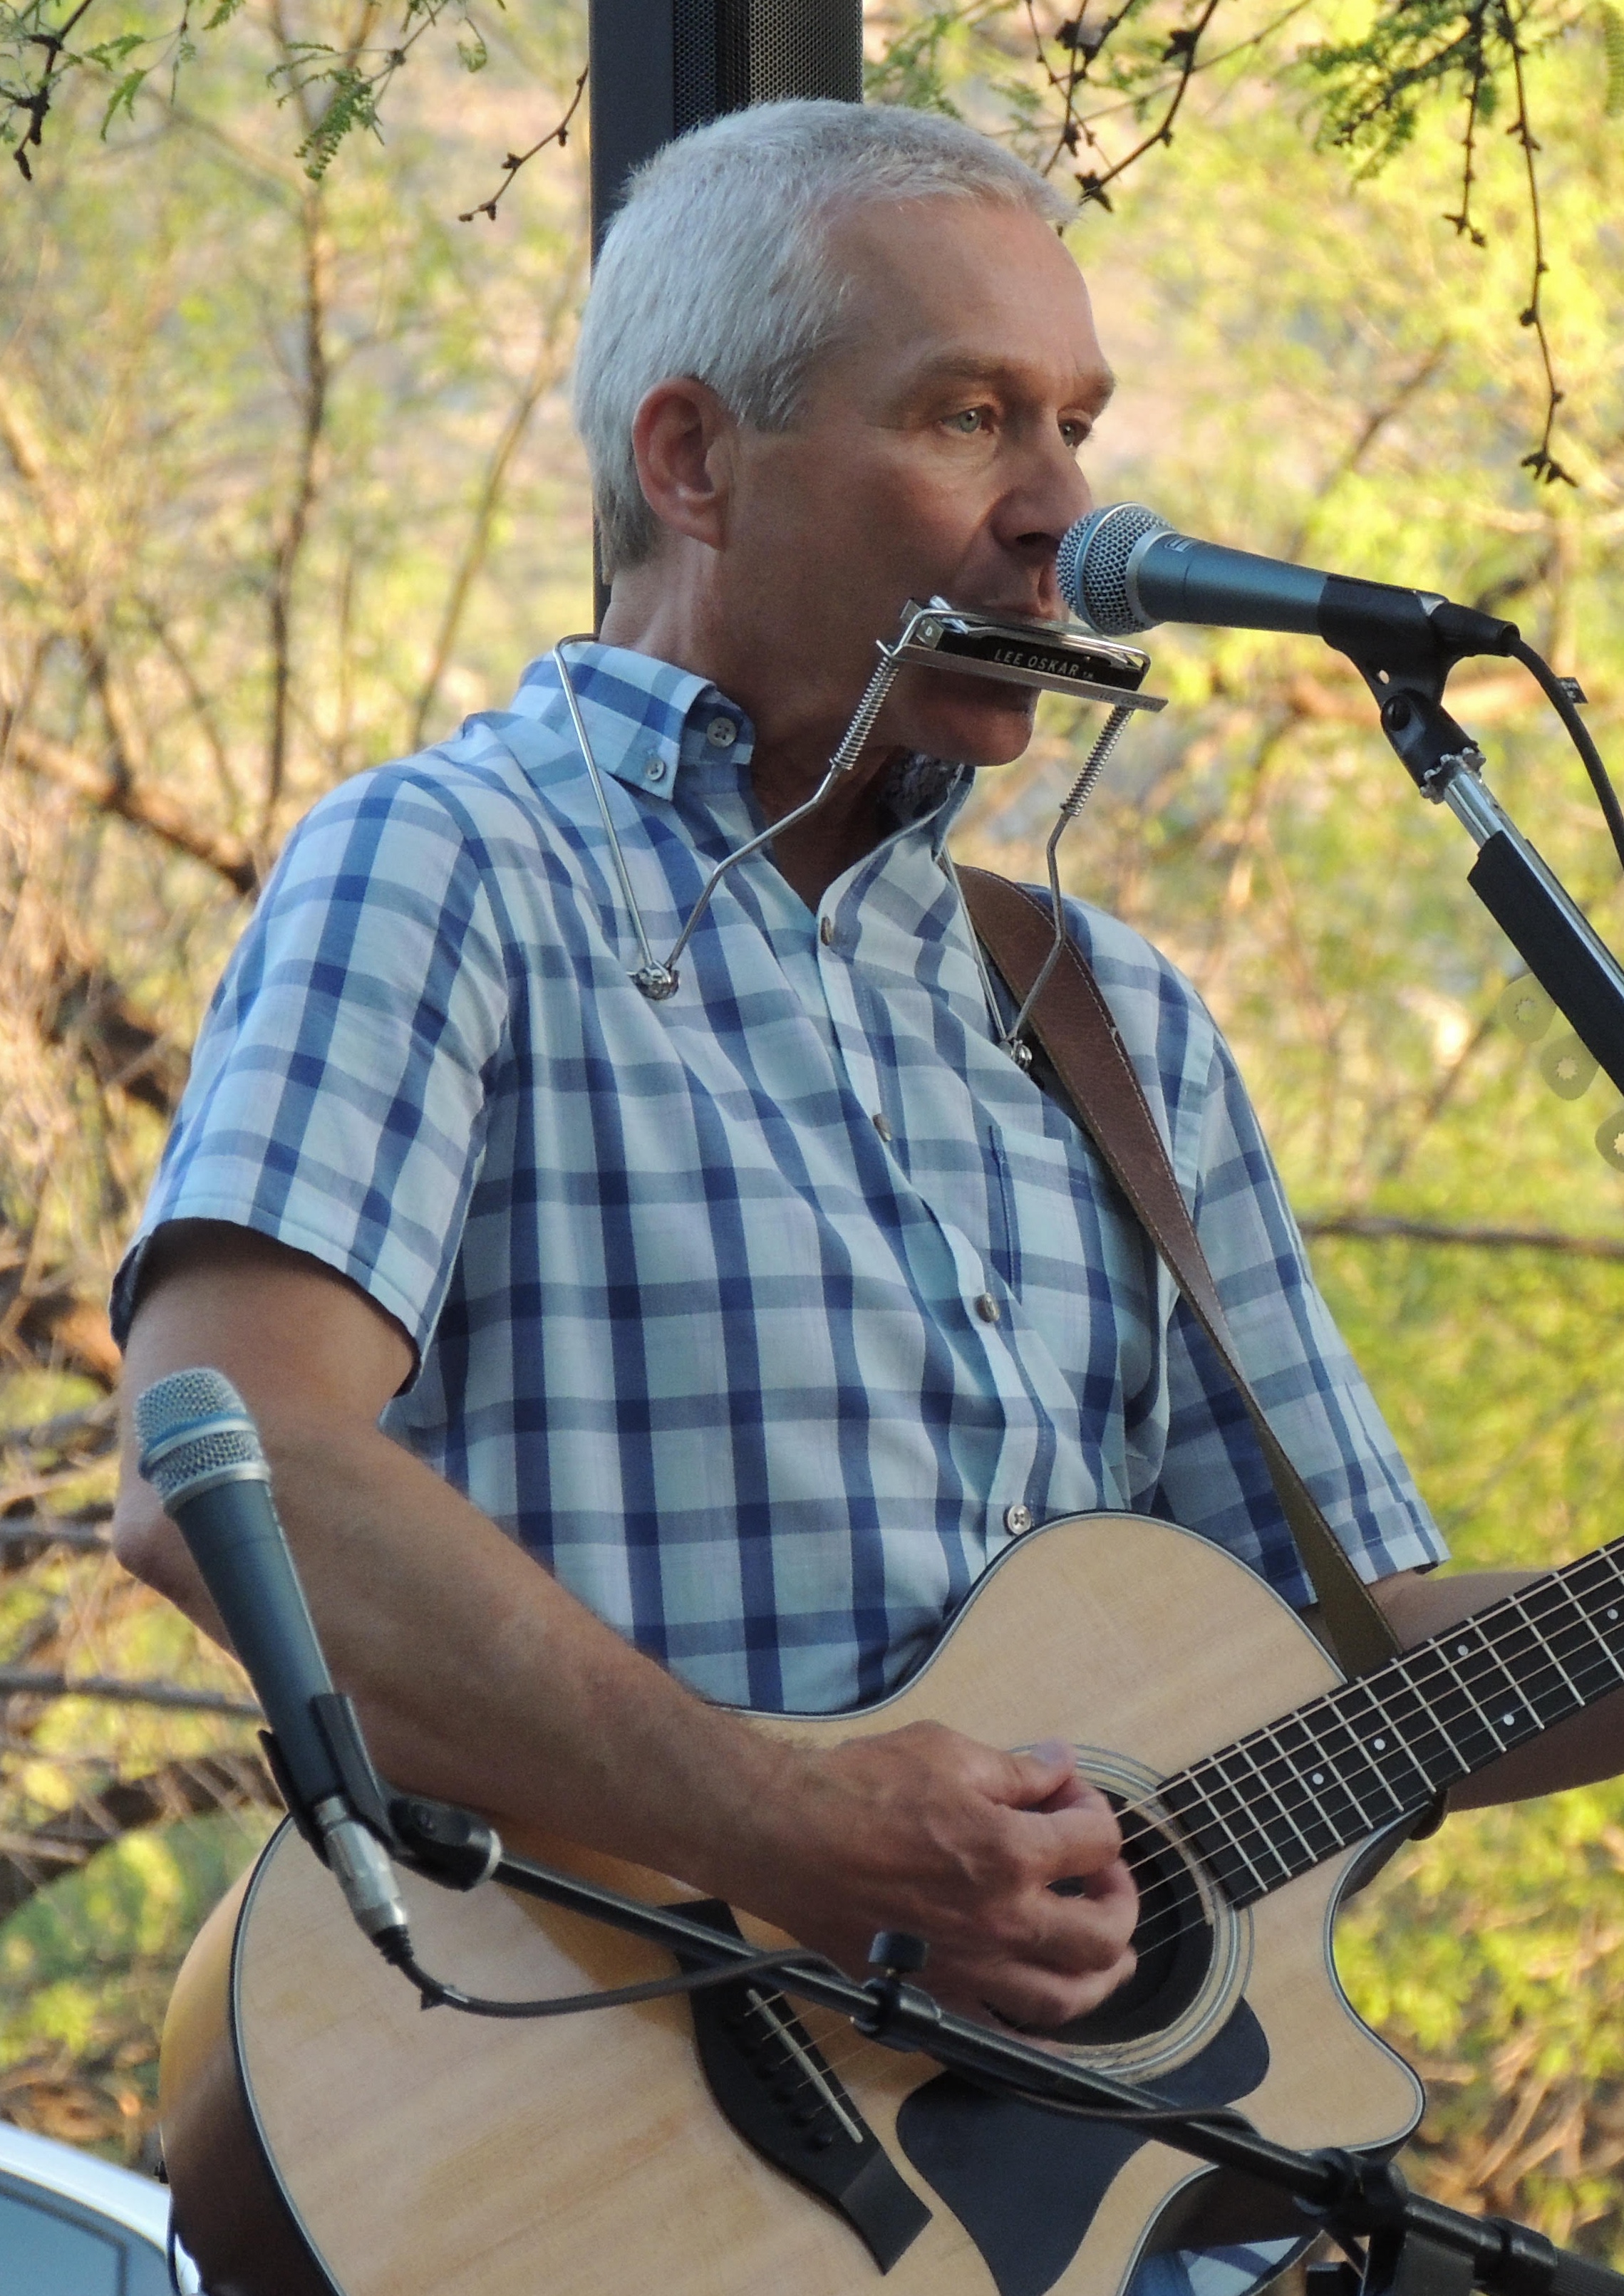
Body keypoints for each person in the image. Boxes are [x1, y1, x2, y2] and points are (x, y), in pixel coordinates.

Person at [111, 100, 1624, 2296]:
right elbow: (218, 1459)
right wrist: (786, 1826)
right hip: (587, 2162)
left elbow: (1350, 1653)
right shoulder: (452, 868)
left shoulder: (1111, 1018)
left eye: (1077, 426)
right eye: (968, 417)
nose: (1062, 515)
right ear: (695, 459)